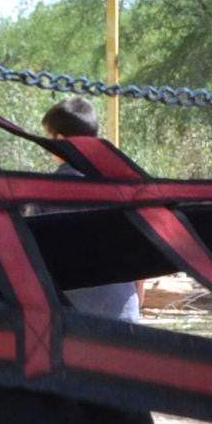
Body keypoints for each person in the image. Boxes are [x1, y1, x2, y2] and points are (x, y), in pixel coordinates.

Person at [41, 99, 141, 322]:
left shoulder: (47, 189)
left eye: (49, 137)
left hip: (78, 321)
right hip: (126, 313)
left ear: (59, 140)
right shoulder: (119, 182)